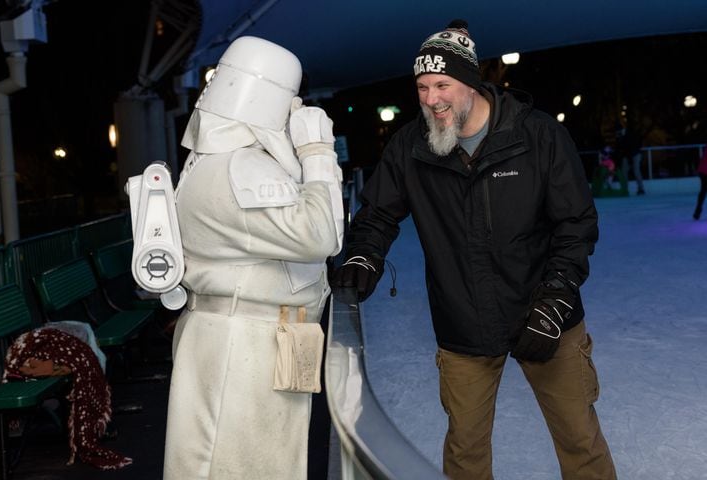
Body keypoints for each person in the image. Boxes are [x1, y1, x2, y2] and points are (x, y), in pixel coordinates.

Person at [332, 19, 616, 480]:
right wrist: (365, 253)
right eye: (422, 86)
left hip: (545, 315)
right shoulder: (411, 146)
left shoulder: (537, 136)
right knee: (465, 454)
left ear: (469, 83)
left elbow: (575, 224)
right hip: (463, 324)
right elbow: (379, 214)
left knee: (580, 440)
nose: (430, 99)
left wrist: (554, 302)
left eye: (442, 84)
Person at [162, 36, 343, 479]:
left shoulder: (216, 162)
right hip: (244, 342)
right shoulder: (239, 167)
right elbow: (322, 234)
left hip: (249, 335)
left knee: (254, 460)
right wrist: (317, 152)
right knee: (239, 463)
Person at [615, 121, 645, 194]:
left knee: (636, 171)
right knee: (624, 171)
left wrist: (630, 160)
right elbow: (620, 148)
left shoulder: (629, 134)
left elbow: (631, 147)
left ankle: (641, 188)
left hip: (635, 154)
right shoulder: (619, 136)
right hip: (627, 155)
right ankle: (625, 188)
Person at [693, 148, 707, 219]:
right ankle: (697, 211)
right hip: (704, 171)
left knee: (703, 191)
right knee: (703, 191)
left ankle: (697, 211)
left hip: (702, 171)